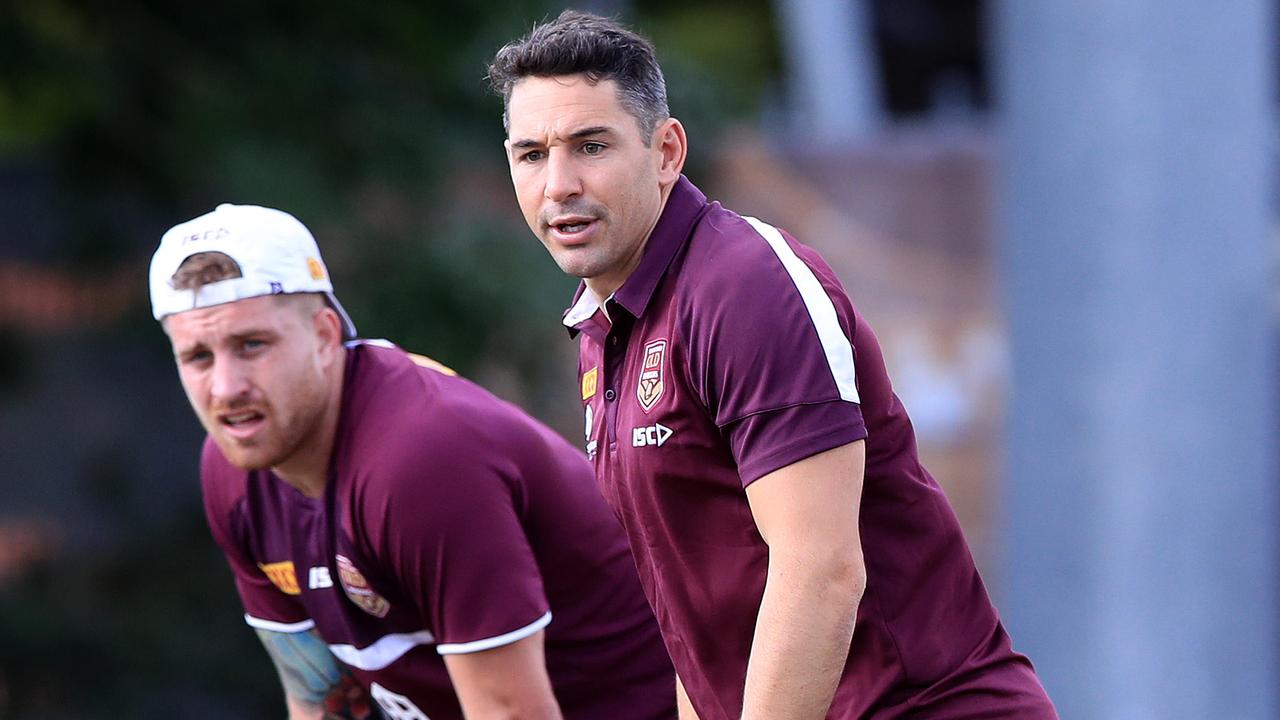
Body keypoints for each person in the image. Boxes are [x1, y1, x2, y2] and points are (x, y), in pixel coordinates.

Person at [489, 11, 1057, 720]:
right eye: (531, 154)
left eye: (590, 145)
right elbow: (697, 625)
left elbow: (821, 570)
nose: (559, 184)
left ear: (666, 151)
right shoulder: (606, 323)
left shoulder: (743, 287)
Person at [149, 203, 676, 720]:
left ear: (325, 336)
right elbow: (318, 700)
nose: (226, 388)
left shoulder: (418, 463)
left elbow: (511, 712)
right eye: (197, 357)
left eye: (252, 345)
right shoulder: (233, 472)